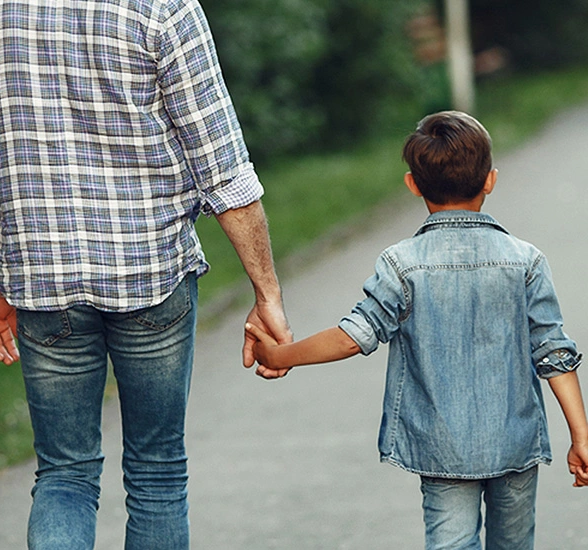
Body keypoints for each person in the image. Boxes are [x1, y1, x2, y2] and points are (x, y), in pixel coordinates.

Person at [0, 0, 291, 548]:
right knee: (157, 472)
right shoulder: (163, 10)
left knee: (63, 473)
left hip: (42, 279)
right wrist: (266, 291)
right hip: (152, 275)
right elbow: (223, 169)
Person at [246, 111, 588, 549]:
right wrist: (579, 435)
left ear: (413, 184)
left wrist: (279, 355)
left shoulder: (402, 264)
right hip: (514, 444)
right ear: (491, 180)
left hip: (441, 445)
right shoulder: (526, 261)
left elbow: (355, 335)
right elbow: (553, 352)